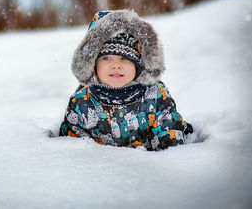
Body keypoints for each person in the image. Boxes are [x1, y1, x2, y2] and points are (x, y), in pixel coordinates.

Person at [59, 9, 193, 151]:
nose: (116, 65)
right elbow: (72, 149)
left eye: (124, 58)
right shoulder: (81, 103)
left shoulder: (156, 97)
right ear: (93, 64)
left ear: (138, 64)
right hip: (99, 170)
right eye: (107, 58)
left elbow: (169, 135)